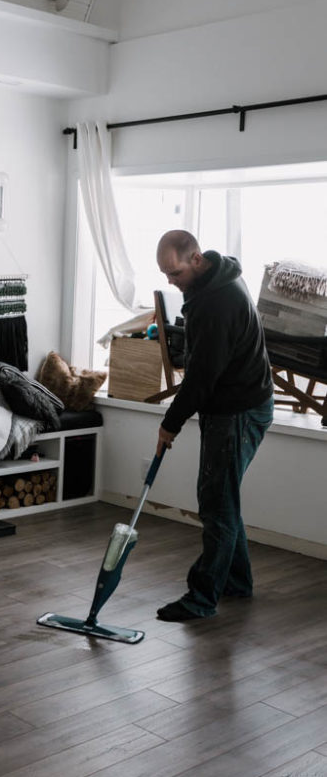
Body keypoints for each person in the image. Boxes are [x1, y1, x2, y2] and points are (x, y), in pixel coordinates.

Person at [154, 230, 274, 622]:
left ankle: (201, 598)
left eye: (175, 273)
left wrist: (170, 425)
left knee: (216, 503)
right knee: (224, 499)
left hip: (239, 411)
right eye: (166, 276)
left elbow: (201, 379)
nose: (172, 282)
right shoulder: (214, 283)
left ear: (197, 259)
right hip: (238, 405)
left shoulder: (217, 302)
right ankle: (236, 582)